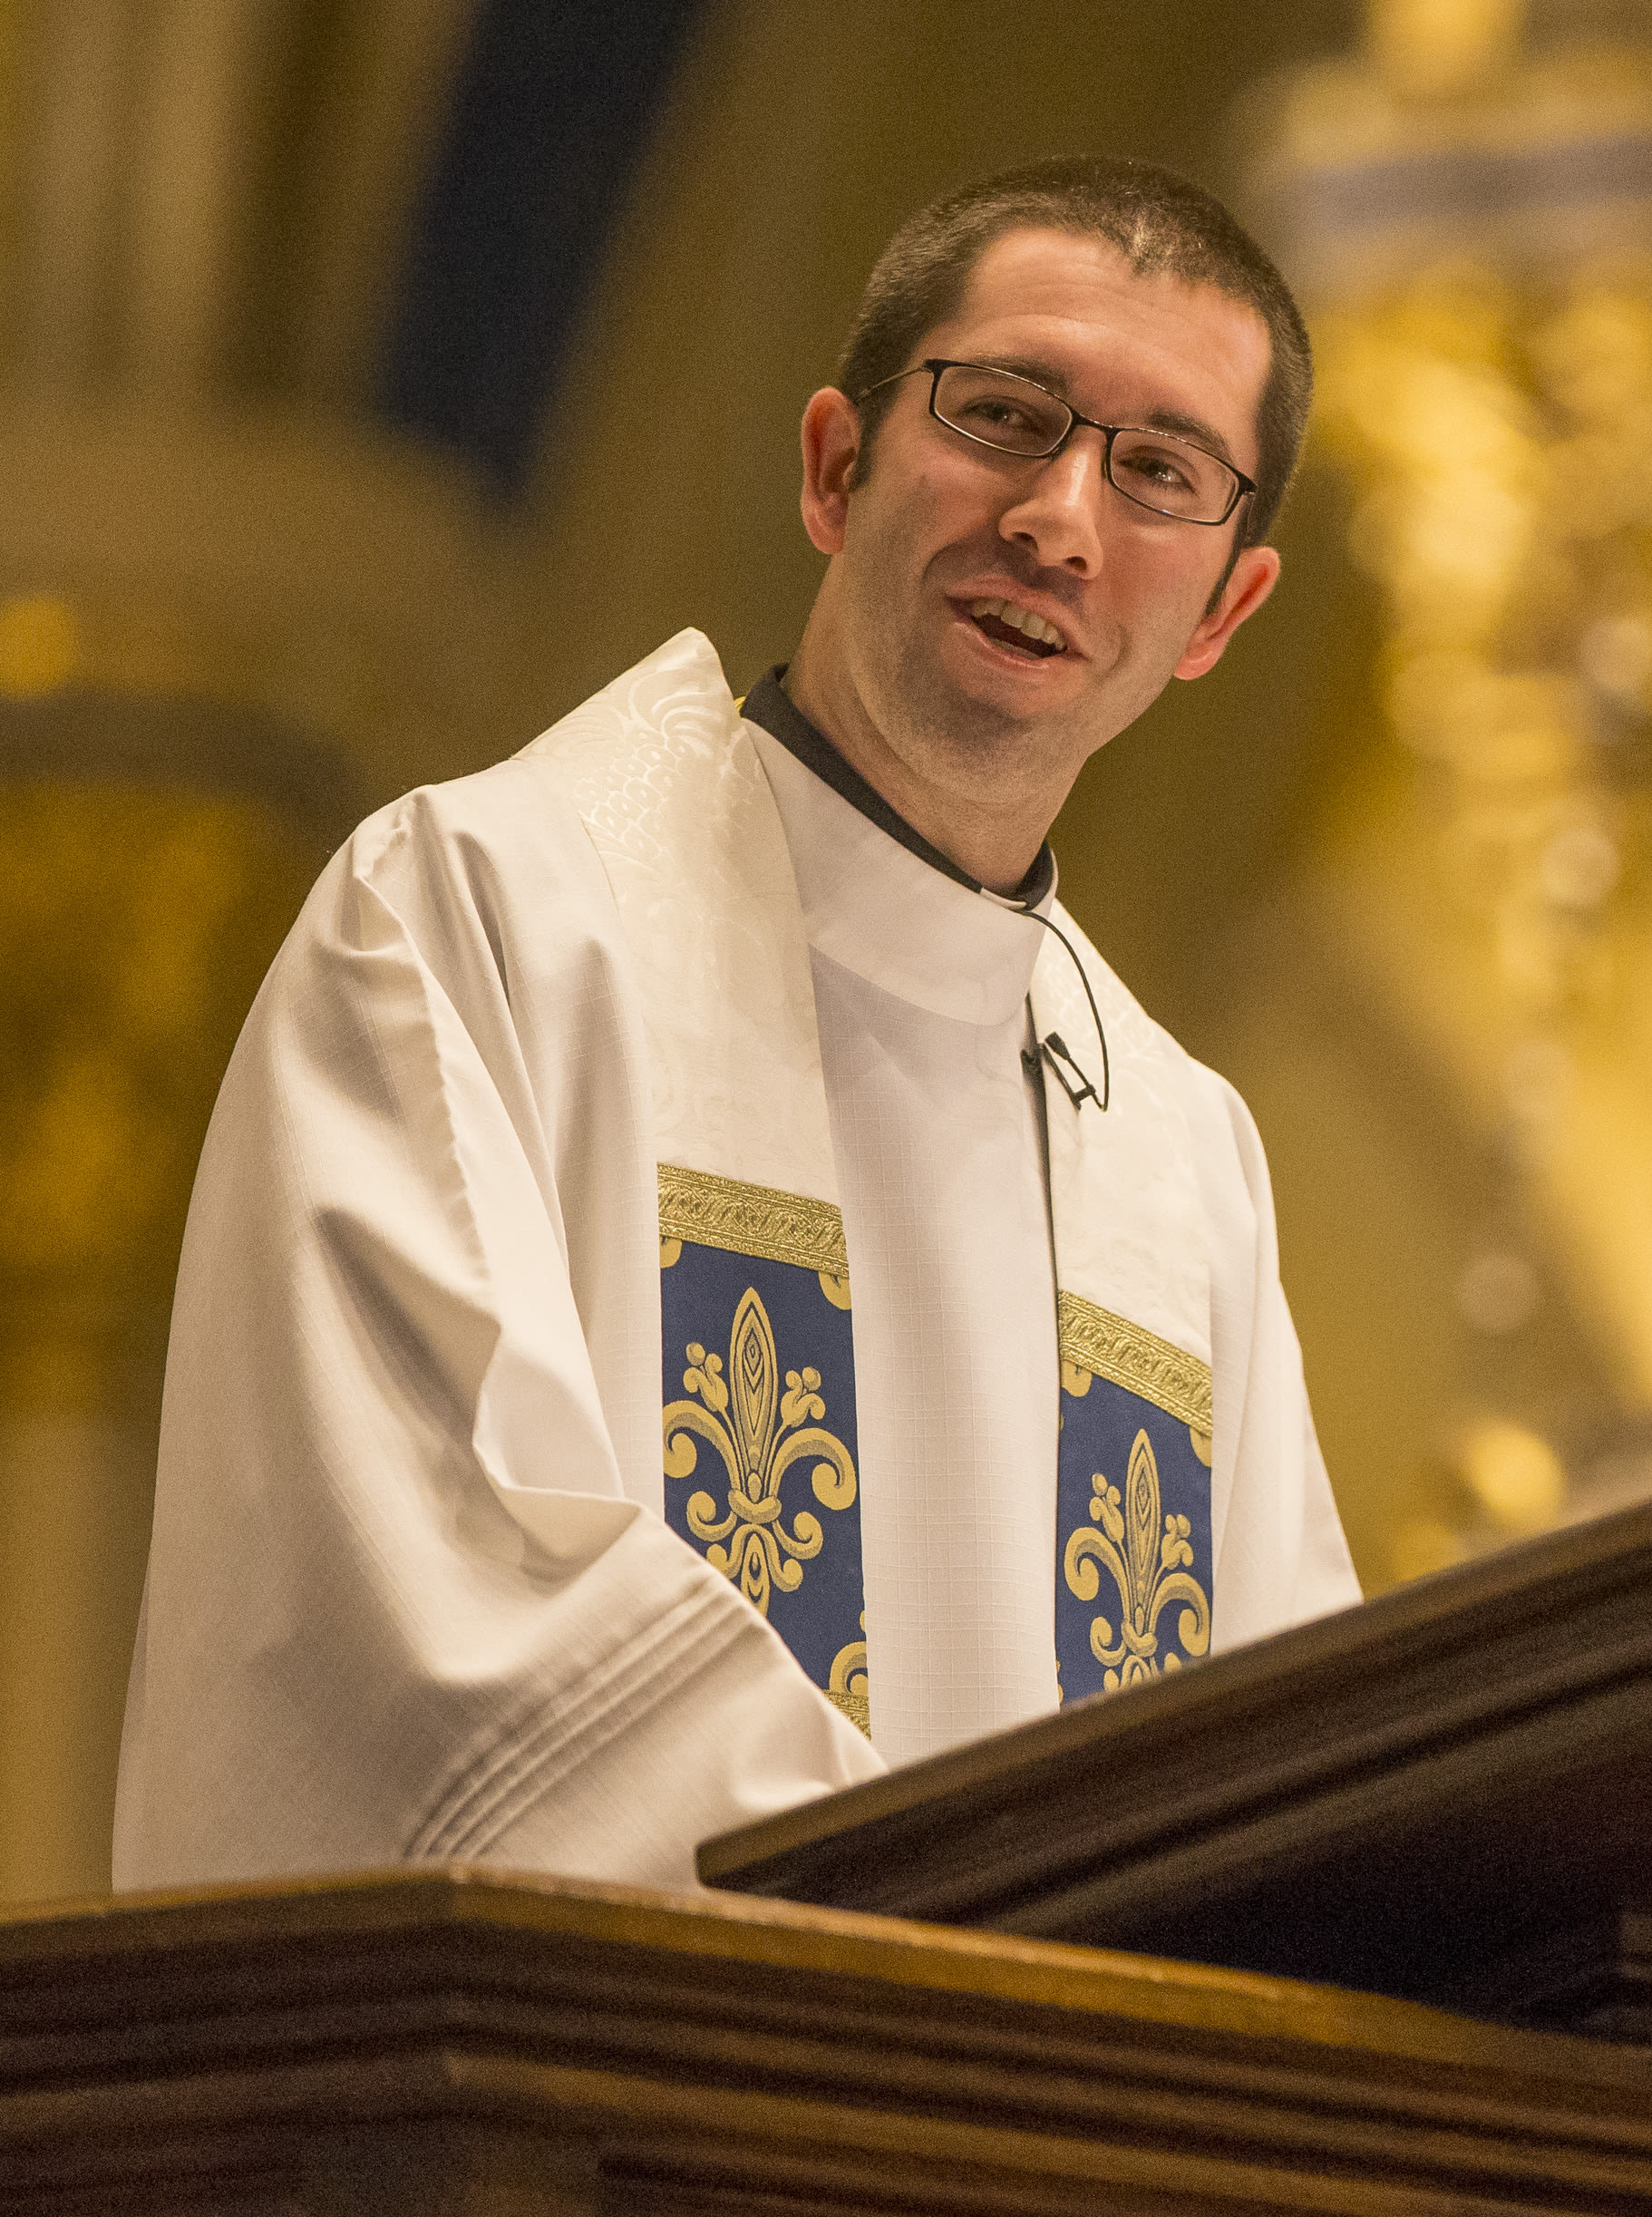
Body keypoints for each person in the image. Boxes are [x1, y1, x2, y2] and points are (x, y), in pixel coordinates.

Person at [112, 157, 1364, 1893]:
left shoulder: (1185, 1158)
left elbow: (1292, 1763)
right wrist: (981, 1952)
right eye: (1006, 415)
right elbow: (441, 1636)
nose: (1062, 520)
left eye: (1160, 471)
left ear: (1222, 608)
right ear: (837, 468)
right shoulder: (483, 918)